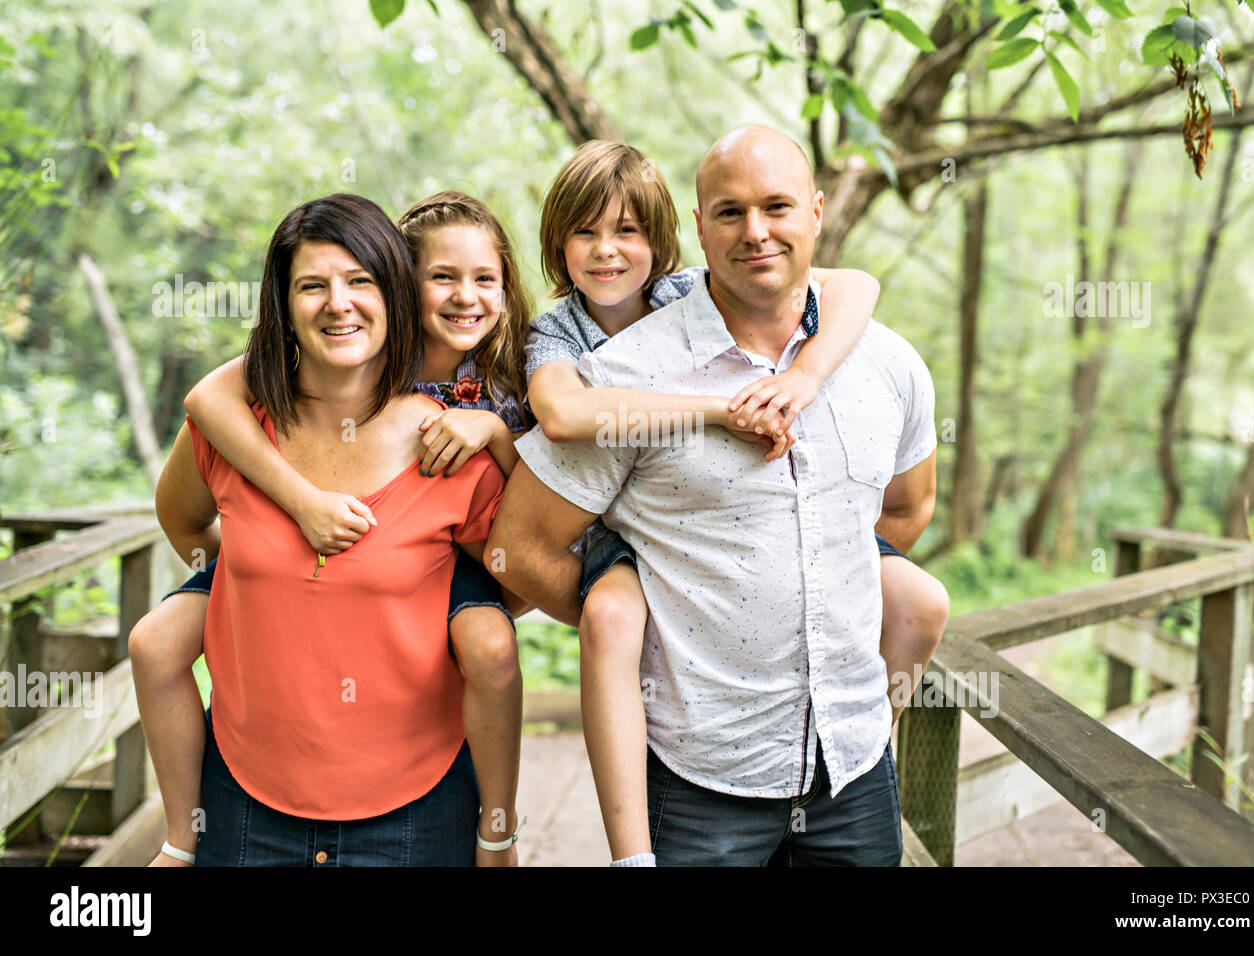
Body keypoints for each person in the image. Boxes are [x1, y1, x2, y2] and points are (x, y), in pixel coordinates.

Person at [489, 126, 946, 866]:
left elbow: (905, 509)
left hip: (855, 768)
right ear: (700, 229)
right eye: (730, 212)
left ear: (818, 213)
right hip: (701, 782)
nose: (756, 231)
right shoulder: (619, 370)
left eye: (777, 207)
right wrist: (653, 631)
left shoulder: (886, 362)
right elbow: (518, 551)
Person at [134, 193, 508, 865]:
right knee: (152, 642)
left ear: (393, 292)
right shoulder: (231, 427)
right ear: (284, 305)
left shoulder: (449, 441)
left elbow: (516, 576)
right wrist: (250, 585)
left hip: (415, 811)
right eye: (312, 285)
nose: (337, 302)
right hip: (244, 807)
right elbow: (185, 518)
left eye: (359, 281)